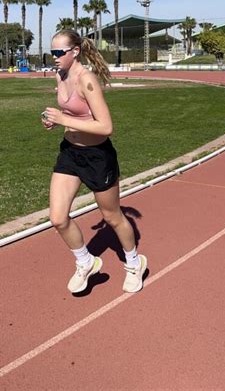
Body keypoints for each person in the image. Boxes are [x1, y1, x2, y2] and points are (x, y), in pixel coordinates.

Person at [42, 29, 147, 294]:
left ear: (74, 52)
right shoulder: (60, 74)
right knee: (57, 217)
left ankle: (134, 263)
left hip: (98, 158)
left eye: (58, 53)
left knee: (112, 217)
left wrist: (65, 119)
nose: (53, 58)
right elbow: (71, 111)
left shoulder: (86, 79)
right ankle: (85, 262)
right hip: (70, 154)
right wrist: (54, 122)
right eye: (51, 52)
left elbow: (106, 126)